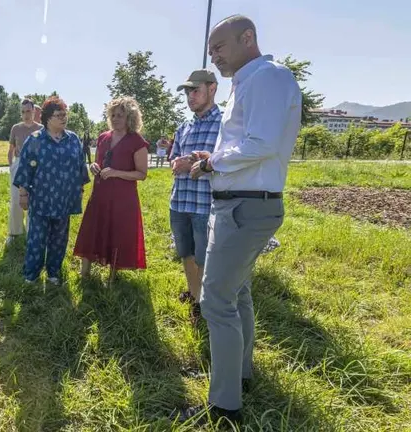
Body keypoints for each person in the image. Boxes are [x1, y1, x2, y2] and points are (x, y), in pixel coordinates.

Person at [172, 15, 302, 427]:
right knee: (238, 294)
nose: (215, 56)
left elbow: (260, 144)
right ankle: (240, 374)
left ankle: (225, 405)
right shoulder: (247, 82)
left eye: (220, 47)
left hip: (248, 204)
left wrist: (211, 161)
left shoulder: (267, 78)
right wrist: (210, 163)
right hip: (238, 202)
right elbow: (246, 143)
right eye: (211, 50)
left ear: (248, 38)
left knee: (215, 300)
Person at [13, 96, 90, 284]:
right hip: (41, 199)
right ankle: (31, 275)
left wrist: (79, 189)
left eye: (65, 115)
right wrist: (23, 194)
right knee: (36, 240)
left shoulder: (72, 139)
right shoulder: (35, 140)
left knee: (59, 240)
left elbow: (80, 166)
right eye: (59, 115)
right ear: (48, 118)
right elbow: (25, 168)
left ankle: (54, 273)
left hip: (64, 199)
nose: (64, 118)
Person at [74, 97, 149, 286]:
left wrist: (116, 173)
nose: (115, 119)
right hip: (100, 194)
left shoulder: (136, 141)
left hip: (123, 198)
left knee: (118, 232)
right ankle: (84, 273)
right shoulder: (103, 137)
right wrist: (94, 166)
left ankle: (112, 276)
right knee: (92, 229)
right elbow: (99, 162)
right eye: (113, 115)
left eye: (120, 116)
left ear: (130, 117)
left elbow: (142, 174)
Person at [169, 69, 222, 321]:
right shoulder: (184, 126)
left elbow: (228, 160)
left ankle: (203, 302)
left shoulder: (225, 124)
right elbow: (173, 160)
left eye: (195, 90)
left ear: (212, 89)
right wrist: (177, 163)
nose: (190, 96)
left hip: (206, 203)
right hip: (180, 201)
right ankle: (193, 293)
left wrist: (192, 159)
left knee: (204, 257)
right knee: (186, 252)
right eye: (187, 92)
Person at [7, 99, 43, 243]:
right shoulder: (16, 128)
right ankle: (14, 233)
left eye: (28, 111)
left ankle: (31, 233)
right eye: (23, 112)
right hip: (19, 164)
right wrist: (11, 166)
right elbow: (10, 150)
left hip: (36, 166)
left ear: (34, 111)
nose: (25, 114)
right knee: (16, 200)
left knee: (33, 200)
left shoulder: (42, 128)